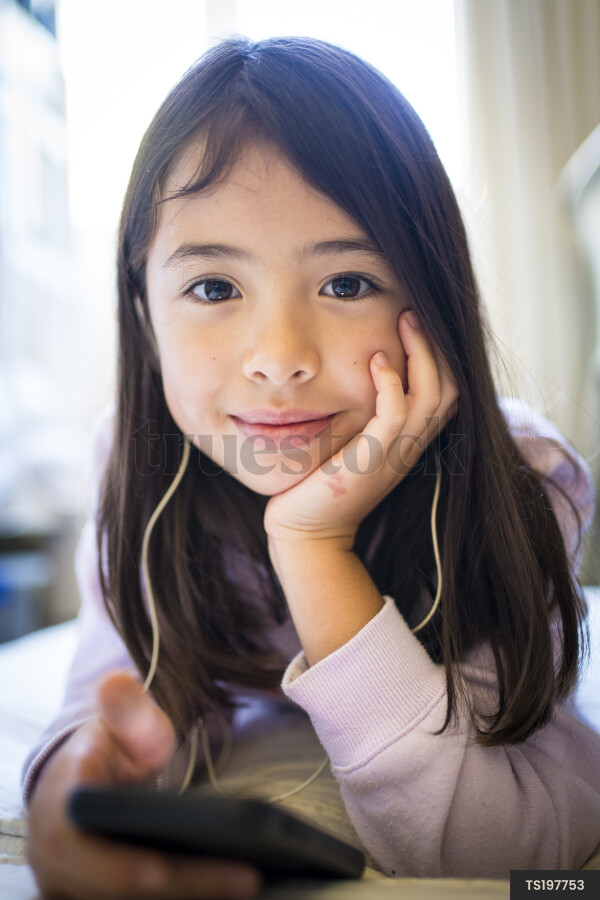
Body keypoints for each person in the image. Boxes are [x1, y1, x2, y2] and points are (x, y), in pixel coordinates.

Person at [23, 36, 598, 899]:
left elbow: (489, 845)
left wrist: (314, 544)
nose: (280, 357)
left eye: (347, 283)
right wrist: (74, 783)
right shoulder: (138, 467)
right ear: (144, 314)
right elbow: (104, 693)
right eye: (214, 288)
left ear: (430, 300)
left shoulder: (522, 478)